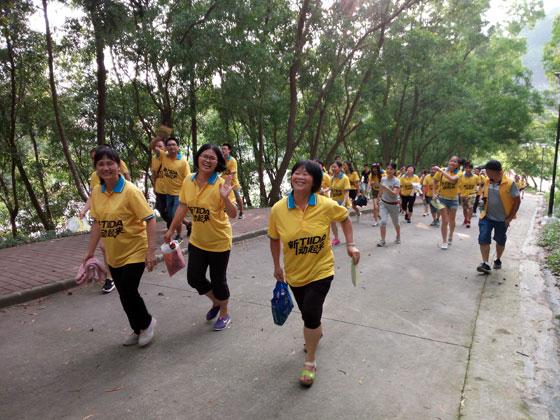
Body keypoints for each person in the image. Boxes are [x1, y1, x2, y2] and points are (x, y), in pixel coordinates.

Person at [268, 160, 360, 387]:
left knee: (310, 311)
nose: (300, 177)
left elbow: (345, 218)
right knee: (308, 314)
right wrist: (276, 267)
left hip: (322, 269)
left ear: (315, 181)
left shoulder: (325, 204)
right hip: (295, 273)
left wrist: (351, 245)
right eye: (296, 173)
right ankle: (315, 328)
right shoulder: (278, 209)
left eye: (306, 174)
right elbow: (274, 238)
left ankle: (310, 361)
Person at [84, 145, 157, 347]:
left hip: (135, 250)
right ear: (96, 168)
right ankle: (137, 328)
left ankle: (147, 323)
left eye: (110, 163)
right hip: (113, 254)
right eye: (101, 164)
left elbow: (150, 219)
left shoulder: (130, 191)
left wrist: (150, 251)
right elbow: (98, 223)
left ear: (118, 166)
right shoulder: (97, 192)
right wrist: (89, 252)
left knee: (128, 290)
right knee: (124, 295)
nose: (106, 168)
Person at [164, 144, 237, 331]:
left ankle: (224, 314)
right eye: (205, 156)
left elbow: (234, 214)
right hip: (197, 240)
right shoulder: (189, 180)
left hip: (219, 241)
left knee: (218, 280)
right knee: (194, 278)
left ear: (218, 162)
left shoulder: (222, 183)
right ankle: (216, 302)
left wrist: (226, 198)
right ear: (198, 158)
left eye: (212, 158)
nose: (207, 160)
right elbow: (182, 206)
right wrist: (171, 229)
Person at [79, 147, 131, 294]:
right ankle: (111, 277)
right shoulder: (95, 176)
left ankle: (118, 271)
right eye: (98, 162)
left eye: (107, 162)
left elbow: (128, 181)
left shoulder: (119, 168)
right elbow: (93, 196)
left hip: (122, 218)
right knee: (104, 247)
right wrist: (84, 210)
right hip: (104, 217)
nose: (104, 167)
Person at [476, 160, 521, 274]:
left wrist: (509, 218)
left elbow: (517, 201)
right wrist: (481, 212)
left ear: (498, 172)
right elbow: (483, 198)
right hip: (487, 217)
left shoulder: (510, 184)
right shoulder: (487, 182)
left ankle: (498, 260)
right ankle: (485, 263)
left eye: (488, 171)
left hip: (502, 219)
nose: (486, 174)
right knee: (483, 238)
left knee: (500, 240)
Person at [157, 137, 191, 239]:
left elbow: (188, 179)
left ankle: (179, 235)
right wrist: (163, 133)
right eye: (169, 145)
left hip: (179, 194)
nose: (171, 147)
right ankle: (189, 224)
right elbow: (154, 145)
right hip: (168, 193)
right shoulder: (164, 157)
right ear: (166, 148)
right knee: (170, 215)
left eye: (174, 144)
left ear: (178, 147)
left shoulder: (183, 162)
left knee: (175, 216)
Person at [433, 156, 462, 250]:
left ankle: (451, 235)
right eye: (451, 161)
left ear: (458, 164)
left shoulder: (459, 172)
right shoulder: (441, 171)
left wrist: (440, 170)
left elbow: (452, 180)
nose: (453, 162)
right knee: (445, 221)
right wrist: (434, 193)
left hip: (454, 199)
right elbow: (435, 181)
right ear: (448, 162)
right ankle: (444, 241)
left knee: (451, 221)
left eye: (455, 161)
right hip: (442, 199)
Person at [375, 163, 401, 247]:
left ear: (394, 171)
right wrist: (378, 197)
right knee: (383, 221)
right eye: (387, 168)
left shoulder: (396, 181)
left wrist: (386, 188)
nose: (389, 170)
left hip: (394, 204)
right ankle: (382, 240)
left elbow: (394, 193)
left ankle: (398, 236)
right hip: (384, 203)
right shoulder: (383, 179)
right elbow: (381, 189)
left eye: (391, 169)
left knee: (395, 223)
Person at [329, 161, 351, 245]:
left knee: (344, 222)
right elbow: (331, 191)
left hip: (344, 204)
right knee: (332, 221)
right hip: (334, 203)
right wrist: (330, 201)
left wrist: (343, 203)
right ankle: (336, 238)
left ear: (340, 168)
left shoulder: (344, 178)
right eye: (332, 167)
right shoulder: (332, 178)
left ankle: (348, 239)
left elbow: (346, 192)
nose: (333, 169)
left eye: (335, 167)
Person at [221, 143, 244, 219]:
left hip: (233, 183)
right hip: (224, 183)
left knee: (237, 198)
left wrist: (227, 182)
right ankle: (225, 213)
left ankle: (241, 212)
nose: (223, 150)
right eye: (222, 149)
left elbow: (232, 173)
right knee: (223, 197)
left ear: (229, 150)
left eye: (225, 149)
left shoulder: (232, 160)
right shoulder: (222, 160)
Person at [150, 137, 167, 224]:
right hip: (160, 189)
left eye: (160, 146)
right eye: (156, 146)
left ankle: (171, 227)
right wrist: (154, 186)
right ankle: (187, 223)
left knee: (172, 211)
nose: (158, 148)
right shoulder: (154, 158)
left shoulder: (167, 156)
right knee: (160, 210)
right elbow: (154, 173)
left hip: (170, 189)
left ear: (165, 148)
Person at [458, 162, 479, 228]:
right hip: (463, 195)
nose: (468, 169)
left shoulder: (476, 177)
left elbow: (479, 185)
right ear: (464, 169)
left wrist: (477, 191)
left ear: (472, 169)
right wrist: (459, 193)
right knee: (464, 208)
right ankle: (466, 218)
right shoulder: (461, 176)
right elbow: (458, 185)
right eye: (466, 168)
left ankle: (468, 221)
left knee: (470, 207)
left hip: (472, 194)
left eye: (469, 168)